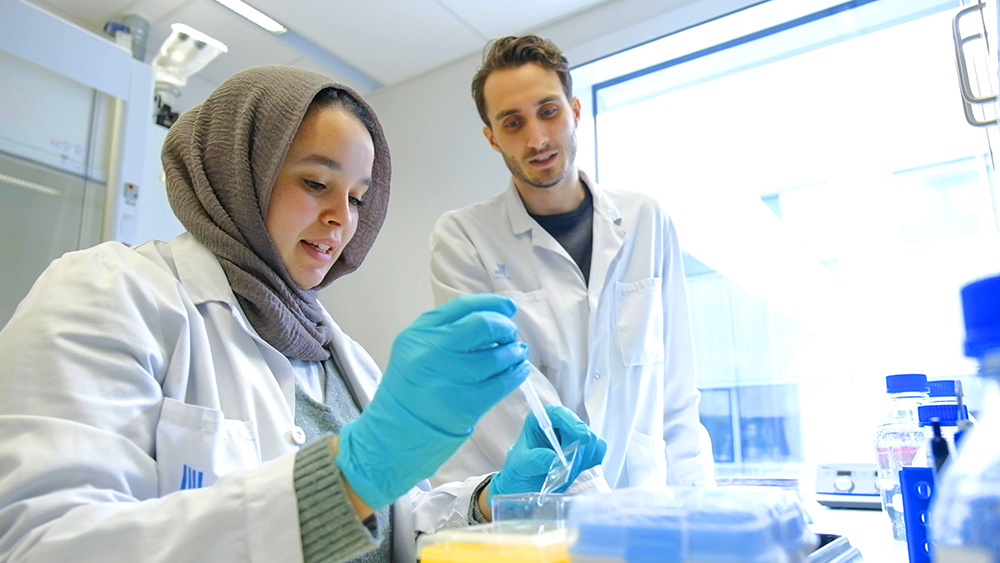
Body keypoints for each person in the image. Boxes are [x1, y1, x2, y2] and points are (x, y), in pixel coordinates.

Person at [0, 65, 605, 562]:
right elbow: (42, 544)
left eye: (359, 197)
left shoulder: (339, 353)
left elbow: (394, 527)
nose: (345, 218)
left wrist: (487, 502)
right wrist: (349, 474)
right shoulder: (112, 293)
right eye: (317, 182)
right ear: (239, 174)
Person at [429, 35, 714, 491]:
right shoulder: (464, 239)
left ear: (575, 111)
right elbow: (506, 393)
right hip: (537, 507)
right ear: (492, 138)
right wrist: (591, 501)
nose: (537, 138)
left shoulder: (645, 218)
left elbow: (677, 390)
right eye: (513, 123)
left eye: (549, 112)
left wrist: (702, 511)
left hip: (640, 500)